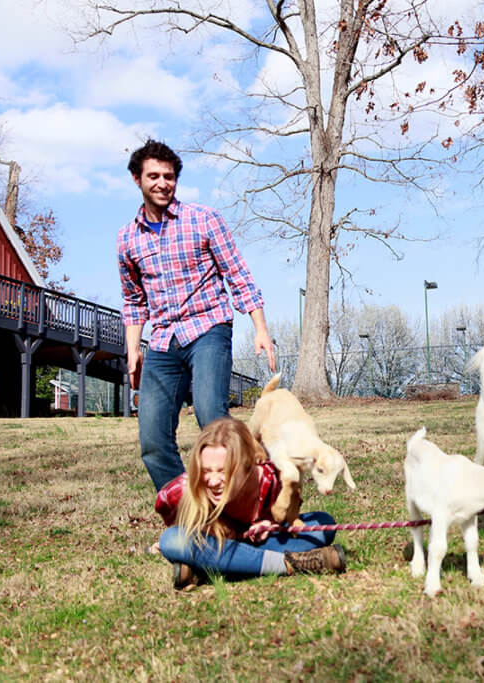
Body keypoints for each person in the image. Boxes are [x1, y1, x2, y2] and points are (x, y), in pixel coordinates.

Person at [117, 139, 276, 491]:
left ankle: (244, 497)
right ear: (137, 179)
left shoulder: (203, 220)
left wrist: (260, 329)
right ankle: (189, 517)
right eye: (154, 176)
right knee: (153, 438)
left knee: (212, 418)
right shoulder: (127, 239)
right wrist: (133, 350)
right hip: (161, 340)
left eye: (169, 176)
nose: (162, 183)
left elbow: (238, 275)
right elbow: (133, 300)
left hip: (208, 329)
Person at [156, 417, 346, 590]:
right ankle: (290, 563)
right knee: (173, 540)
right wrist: (205, 529)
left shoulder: (276, 479)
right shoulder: (181, 489)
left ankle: (206, 567)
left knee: (323, 524)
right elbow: (168, 509)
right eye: (206, 471)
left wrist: (270, 524)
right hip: (218, 544)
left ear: (248, 467)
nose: (212, 481)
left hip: (258, 544)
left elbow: (291, 516)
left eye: (223, 471)